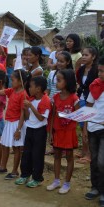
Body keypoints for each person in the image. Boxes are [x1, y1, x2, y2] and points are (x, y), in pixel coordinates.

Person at [0, 70, 28, 179]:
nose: (11, 82)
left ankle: (15, 171)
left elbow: (22, 114)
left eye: (13, 80)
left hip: (16, 124)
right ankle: (3, 167)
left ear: (20, 82)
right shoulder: (12, 90)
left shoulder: (23, 94)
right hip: (9, 122)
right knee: (5, 145)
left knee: (16, 148)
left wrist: (19, 130)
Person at [47, 69, 79, 194]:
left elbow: (79, 115)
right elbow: (53, 116)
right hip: (57, 131)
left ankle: (67, 183)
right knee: (57, 155)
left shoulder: (74, 98)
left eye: (59, 80)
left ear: (68, 81)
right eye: (56, 80)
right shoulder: (55, 97)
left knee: (69, 157)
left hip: (69, 132)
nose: (56, 83)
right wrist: (50, 133)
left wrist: (69, 117)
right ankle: (56, 180)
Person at [15, 76, 51, 188]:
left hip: (40, 131)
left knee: (37, 155)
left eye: (31, 86)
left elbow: (41, 118)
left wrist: (31, 106)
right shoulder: (31, 99)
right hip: (30, 128)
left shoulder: (46, 101)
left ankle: (37, 178)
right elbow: (27, 117)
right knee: (26, 153)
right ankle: (25, 174)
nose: (29, 89)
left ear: (38, 89)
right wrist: (26, 108)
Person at [83, 57, 104, 205]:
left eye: (103, 71)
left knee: (102, 162)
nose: (100, 74)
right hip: (92, 127)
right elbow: (88, 107)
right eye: (99, 71)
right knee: (94, 160)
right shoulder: (95, 85)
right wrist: (85, 127)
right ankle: (95, 187)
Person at [76, 47, 98, 164]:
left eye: (86, 55)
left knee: (88, 127)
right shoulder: (81, 69)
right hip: (82, 99)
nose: (83, 57)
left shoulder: (96, 70)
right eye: (83, 55)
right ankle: (84, 151)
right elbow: (80, 83)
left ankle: (89, 154)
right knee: (82, 125)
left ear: (93, 57)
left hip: (92, 101)